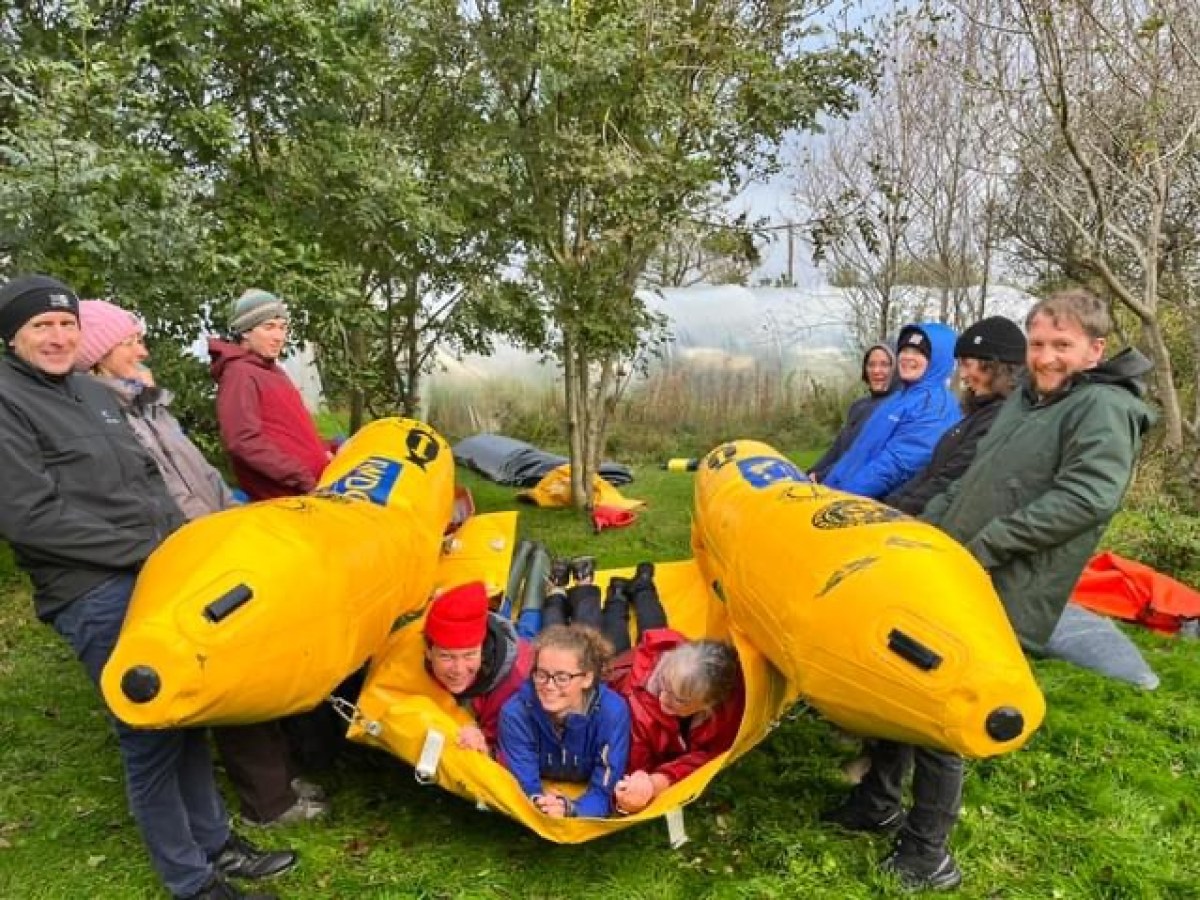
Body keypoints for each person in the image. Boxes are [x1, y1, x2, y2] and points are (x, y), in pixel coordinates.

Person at [826, 290, 1154, 893]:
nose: (1046, 356)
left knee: (945, 700)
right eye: (1039, 343)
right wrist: (925, 533)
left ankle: (928, 853)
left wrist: (990, 543)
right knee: (899, 675)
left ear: (1094, 349)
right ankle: (878, 800)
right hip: (954, 565)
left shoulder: (1104, 407)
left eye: (1061, 344)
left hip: (1007, 579)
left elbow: (1088, 496)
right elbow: (973, 479)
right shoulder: (1028, 399)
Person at [0, 275, 295, 900]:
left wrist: (186, 550)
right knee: (149, 730)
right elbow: (30, 517)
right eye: (41, 326)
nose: (57, 337)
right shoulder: (7, 401)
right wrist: (147, 551)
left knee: (186, 712)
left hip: (161, 575)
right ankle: (191, 879)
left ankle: (216, 843)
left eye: (66, 324)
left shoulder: (93, 392)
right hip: (91, 590)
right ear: (12, 336)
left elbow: (147, 480)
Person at [75, 298, 327, 828]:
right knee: (229, 670)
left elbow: (200, 472)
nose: (143, 350)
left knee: (259, 655)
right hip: (189, 553)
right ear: (98, 355)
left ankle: (282, 777)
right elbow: (161, 489)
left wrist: (234, 518)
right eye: (130, 342)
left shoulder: (147, 405)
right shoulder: (105, 418)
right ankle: (268, 802)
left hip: (219, 538)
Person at [598, 564, 744, 815]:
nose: (664, 699)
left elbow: (708, 755)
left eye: (679, 699)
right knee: (619, 639)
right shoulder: (641, 709)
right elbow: (630, 767)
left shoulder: (723, 708)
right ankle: (618, 594)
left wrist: (660, 779)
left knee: (656, 629)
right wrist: (641, 786)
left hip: (673, 662)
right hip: (624, 669)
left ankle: (642, 583)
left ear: (708, 704)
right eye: (664, 686)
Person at [884, 316, 1027, 515]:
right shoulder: (980, 412)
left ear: (996, 368)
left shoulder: (998, 419)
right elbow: (931, 472)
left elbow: (948, 479)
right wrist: (890, 505)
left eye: (967, 364)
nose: (962, 375)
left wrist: (897, 513)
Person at [497, 624, 631, 818]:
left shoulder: (612, 713)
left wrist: (572, 810)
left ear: (587, 678)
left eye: (562, 677)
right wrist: (540, 804)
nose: (549, 686)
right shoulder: (516, 714)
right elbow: (522, 785)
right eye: (541, 675)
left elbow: (605, 790)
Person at [208, 289, 329, 501]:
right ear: (245, 332)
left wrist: (328, 449)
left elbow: (292, 429)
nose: (279, 337)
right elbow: (244, 442)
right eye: (269, 327)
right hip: (288, 499)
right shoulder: (239, 374)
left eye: (283, 328)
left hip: (313, 490)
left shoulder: (272, 370)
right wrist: (302, 479)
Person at [822, 323, 961, 499]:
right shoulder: (899, 398)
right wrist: (828, 486)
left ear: (937, 360)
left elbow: (894, 467)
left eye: (918, 352)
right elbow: (858, 453)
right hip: (841, 496)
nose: (907, 357)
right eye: (904, 350)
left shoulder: (935, 406)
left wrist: (842, 497)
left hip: (870, 505)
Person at [422, 581, 533, 753]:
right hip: (510, 641)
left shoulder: (514, 686)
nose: (458, 669)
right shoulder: (420, 653)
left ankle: (539, 577)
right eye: (446, 656)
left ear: (482, 650)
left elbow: (515, 750)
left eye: (469, 655)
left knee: (531, 626)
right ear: (428, 652)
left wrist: (484, 743)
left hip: (527, 654)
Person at [810, 343, 897, 482]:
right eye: (871, 365)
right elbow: (837, 448)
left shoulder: (895, 408)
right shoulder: (858, 405)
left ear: (896, 369)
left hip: (856, 484)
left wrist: (821, 476)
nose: (876, 371)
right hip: (832, 478)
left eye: (884, 365)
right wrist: (811, 472)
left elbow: (863, 454)